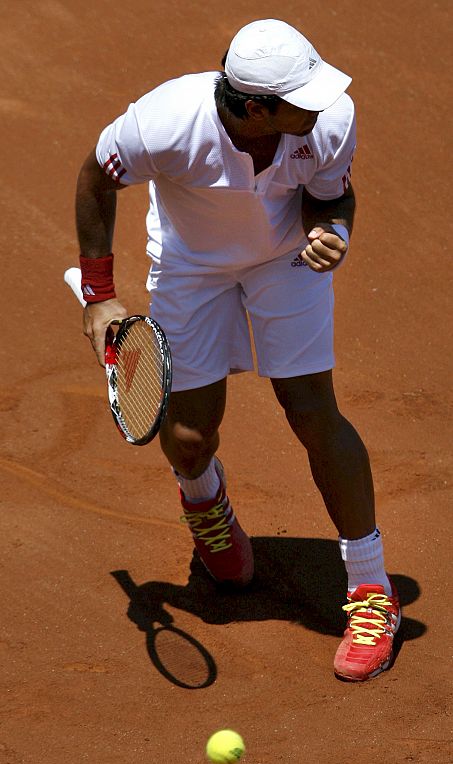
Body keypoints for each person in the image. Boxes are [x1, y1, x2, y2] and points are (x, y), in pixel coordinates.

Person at [75, 19, 401, 682]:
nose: (321, 104)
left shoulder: (328, 120)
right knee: (190, 437)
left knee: (312, 410)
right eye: (301, 99)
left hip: (286, 262)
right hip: (190, 267)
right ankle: (205, 505)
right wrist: (100, 296)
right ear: (256, 109)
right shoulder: (161, 124)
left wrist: (331, 233)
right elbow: (94, 180)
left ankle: (371, 591)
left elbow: (331, 198)